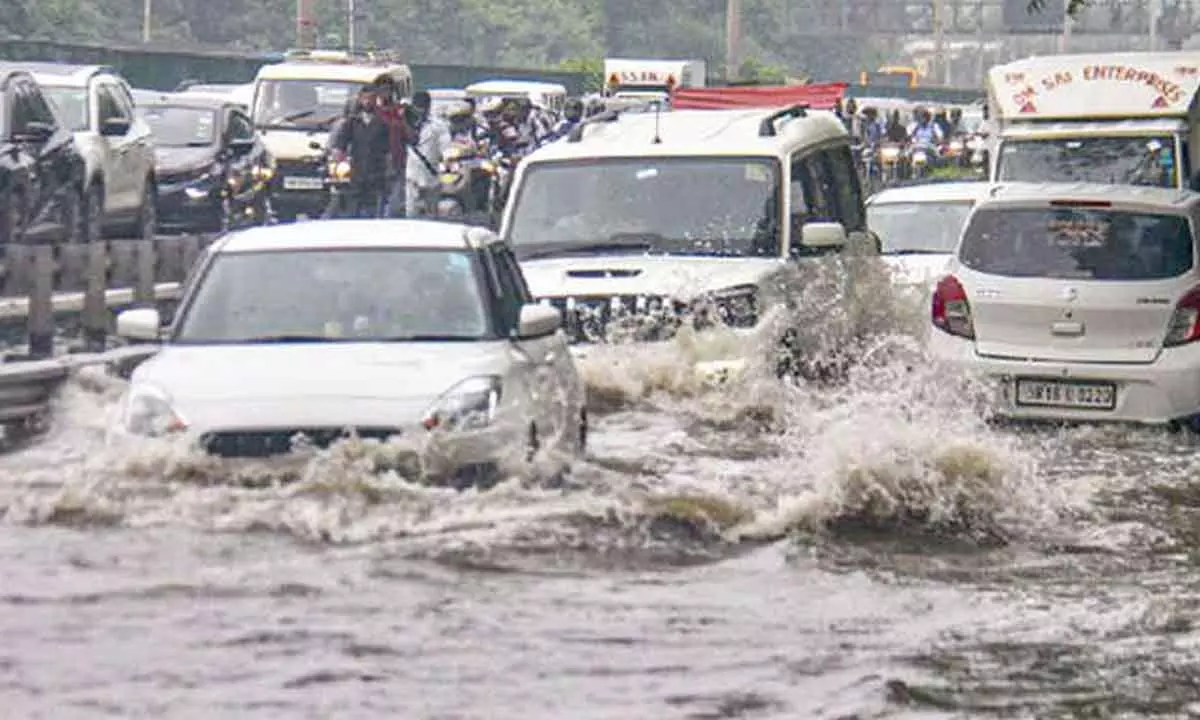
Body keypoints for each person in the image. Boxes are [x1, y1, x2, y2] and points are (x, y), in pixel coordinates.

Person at [326, 87, 390, 218]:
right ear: (360, 100)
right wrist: (338, 157)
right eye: (365, 99)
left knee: (373, 208)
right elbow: (340, 144)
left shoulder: (383, 123)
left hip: (376, 172)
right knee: (353, 207)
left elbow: (388, 148)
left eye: (371, 99)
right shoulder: (353, 122)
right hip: (357, 171)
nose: (367, 102)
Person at [404, 90, 452, 218]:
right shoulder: (404, 124)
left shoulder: (438, 125)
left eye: (423, 107)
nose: (420, 111)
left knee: (432, 214)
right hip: (411, 173)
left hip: (430, 174)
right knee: (410, 212)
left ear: (428, 107)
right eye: (417, 107)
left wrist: (447, 160)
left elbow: (445, 147)